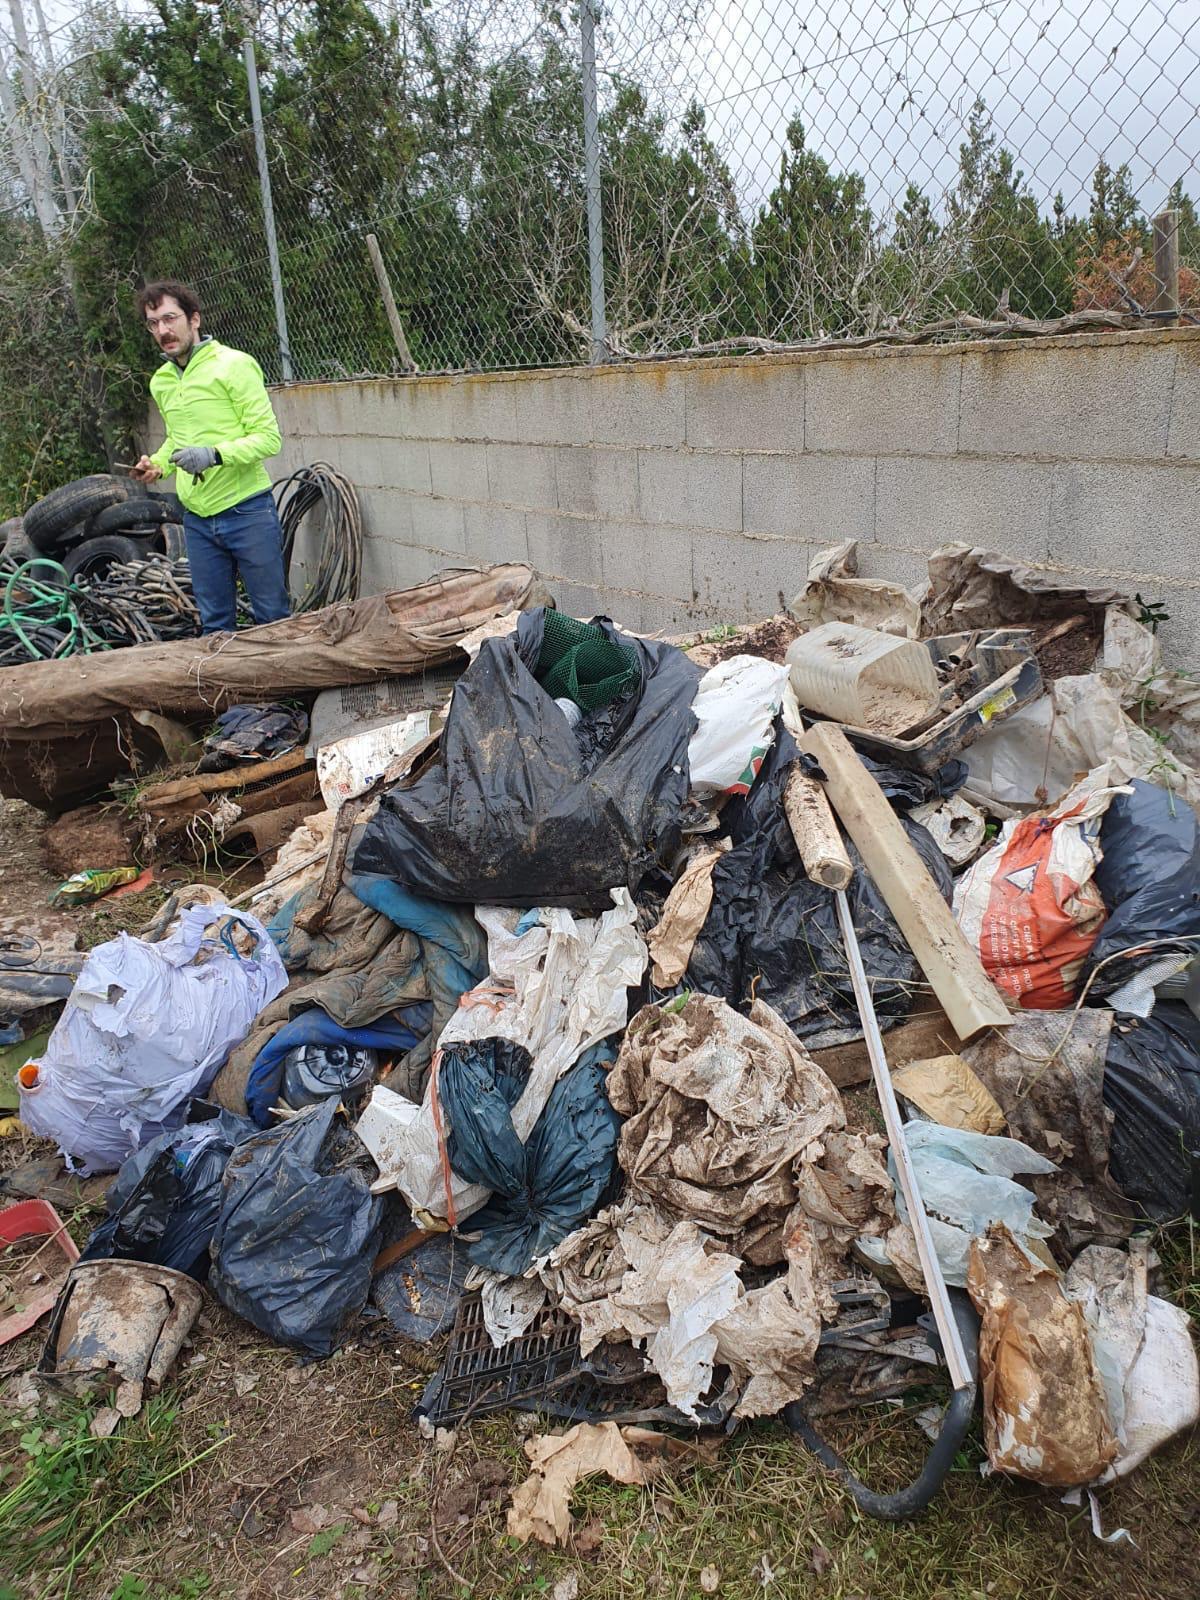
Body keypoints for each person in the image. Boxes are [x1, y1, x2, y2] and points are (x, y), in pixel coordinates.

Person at [131, 280, 291, 633]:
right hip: (199, 520)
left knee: (273, 618)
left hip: (247, 510)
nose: (163, 330)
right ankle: (230, 690)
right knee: (215, 625)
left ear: (195, 319)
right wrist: (157, 463)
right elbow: (179, 437)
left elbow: (268, 439)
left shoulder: (234, 365)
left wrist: (214, 455)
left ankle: (293, 690)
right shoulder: (162, 381)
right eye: (153, 323)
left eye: (170, 318)